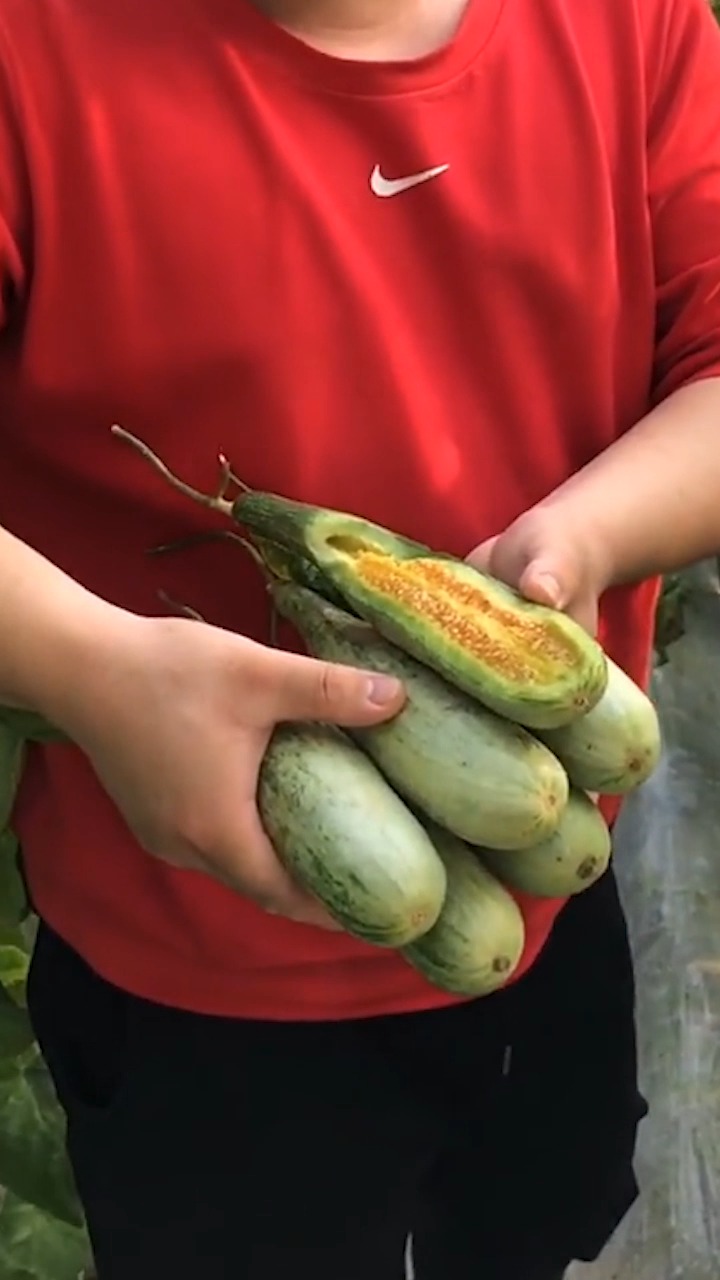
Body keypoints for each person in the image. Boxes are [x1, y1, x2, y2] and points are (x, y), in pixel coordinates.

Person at [1, 0, 720, 1275]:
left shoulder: (642, 25)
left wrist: (582, 541)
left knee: (531, 1212)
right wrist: (89, 670)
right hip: (184, 960)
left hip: (541, 888)